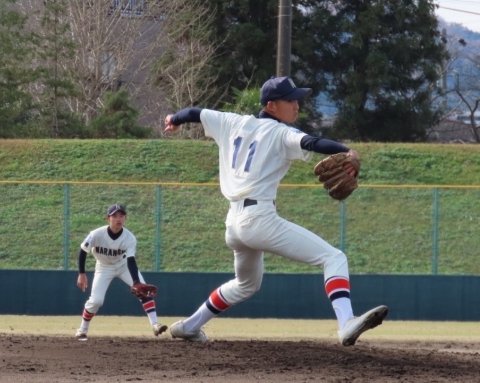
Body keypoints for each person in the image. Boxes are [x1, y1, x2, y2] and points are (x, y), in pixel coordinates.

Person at [163, 76, 388, 346]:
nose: (296, 105)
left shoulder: (231, 121)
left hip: (234, 224)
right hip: (259, 220)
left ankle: (189, 326)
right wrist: (347, 150)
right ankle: (346, 323)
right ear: (271, 105)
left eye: (297, 100)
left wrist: (174, 119)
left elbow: (194, 113)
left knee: (246, 285)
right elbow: (313, 143)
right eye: (290, 100)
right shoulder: (281, 133)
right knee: (334, 258)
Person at [75, 203, 168, 341]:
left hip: (123, 265)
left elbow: (131, 260)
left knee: (144, 290)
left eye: (121, 216)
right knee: (96, 301)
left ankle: (155, 324)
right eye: (114, 216)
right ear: (108, 218)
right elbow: (83, 251)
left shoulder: (129, 238)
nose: (118, 219)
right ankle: (82, 329)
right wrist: (82, 274)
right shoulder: (96, 234)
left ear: (125, 218)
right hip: (104, 267)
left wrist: (136, 282)